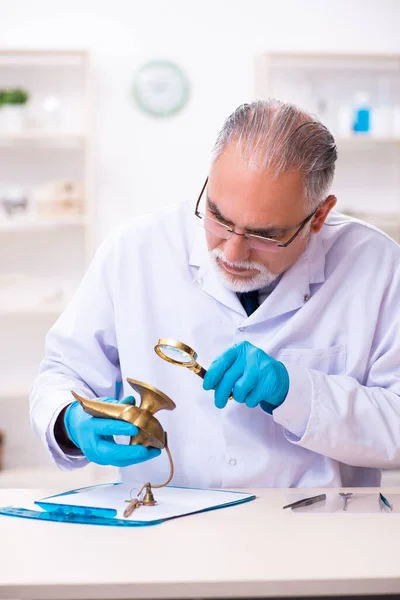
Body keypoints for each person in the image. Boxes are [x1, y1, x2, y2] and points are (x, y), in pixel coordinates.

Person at [30, 99, 400, 489]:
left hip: (319, 531)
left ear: (319, 216)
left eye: (265, 235)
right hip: (167, 523)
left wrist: (297, 392)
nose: (232, 252)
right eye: (219, 218)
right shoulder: (136, 249)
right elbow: (62, 372)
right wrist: (70, 419)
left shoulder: (376, 265)